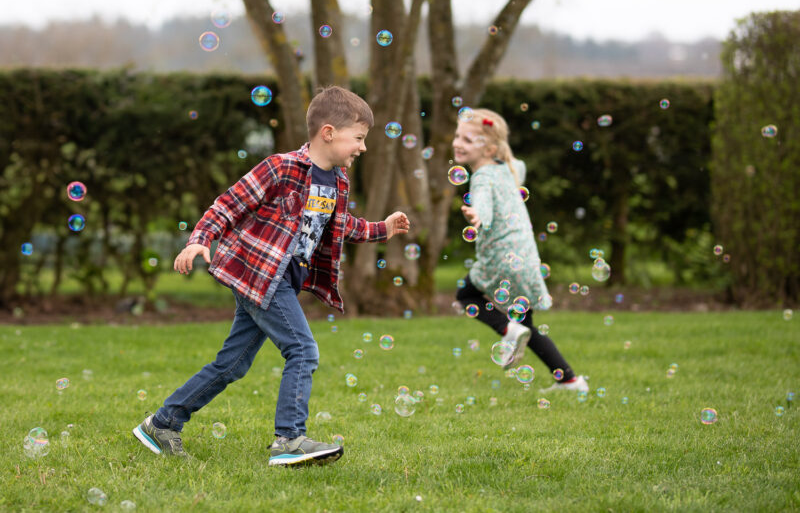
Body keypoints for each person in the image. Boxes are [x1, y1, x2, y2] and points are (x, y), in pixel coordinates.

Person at [133, 86, 410, 466]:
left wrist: (383, 228)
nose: (362, 147)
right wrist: (199, 240)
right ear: (328, 133)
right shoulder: (281, 167)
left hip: (282, 280)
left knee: (233, 364)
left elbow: (340, 226)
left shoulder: (338, 182)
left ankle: (161, 424)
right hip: (260, 276)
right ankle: (290, 440)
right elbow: (229, 203)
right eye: (358, 138)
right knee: (302, 349)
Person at [452, 108, 588, 394]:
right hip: (524, 257)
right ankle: (570, 381)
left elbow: (484, 205)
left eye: (467, 139)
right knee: (526, 325)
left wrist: (478, 216)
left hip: (500, 259)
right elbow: (520, 166)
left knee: (466, 295)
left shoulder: (483, 178)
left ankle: (507, 330)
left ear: (489, 148)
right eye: (457, 136)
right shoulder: (509, 168)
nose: (457, 143)